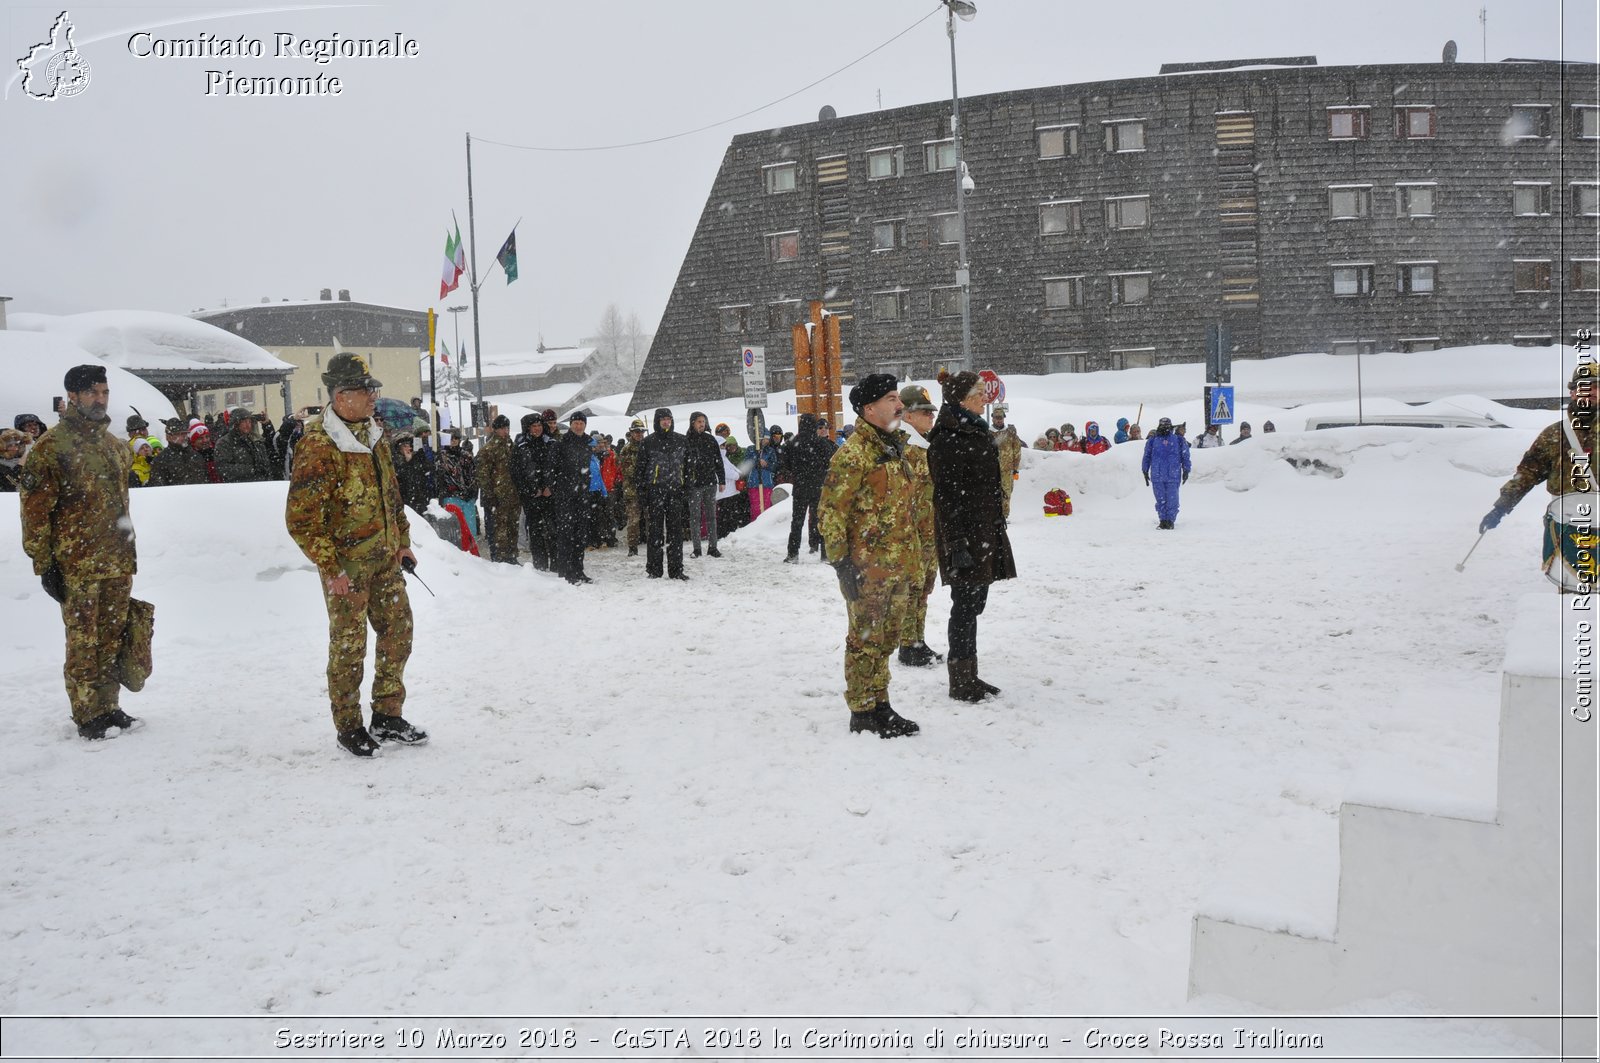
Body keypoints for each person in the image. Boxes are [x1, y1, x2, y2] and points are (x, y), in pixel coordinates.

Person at [285, 353, 426, 758]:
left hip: (384, 561)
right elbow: (302, 520)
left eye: (372, 389)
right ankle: (348, 725)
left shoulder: (372, 434)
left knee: (399, 632)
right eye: (367, 390)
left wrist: (402, 539)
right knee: (349, 647)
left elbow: (391, 495)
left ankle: (387, 714)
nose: (372, 396)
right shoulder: (320, 444)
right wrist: (331, 568)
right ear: (342, 395)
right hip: (346, 568)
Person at [19, 364, 143, 740]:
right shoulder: (50, 448)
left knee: (112, 637)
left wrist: (128, 552)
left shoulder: (113, 447)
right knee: (83, 642)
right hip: (76, 565)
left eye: (104, 392)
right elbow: (35, 513)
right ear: (72, 397)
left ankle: (109, 705)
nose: (100, 399)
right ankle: (88, 713)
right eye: (92, 393)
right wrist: (45, 565)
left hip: (116, 560)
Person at [817, 373, 922, 738]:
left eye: (898, 397)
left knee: (887, 639)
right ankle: (861, 711)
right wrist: (842, 563)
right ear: (869, 408)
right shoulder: (854, 454)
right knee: (864, 640)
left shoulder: (893, 449)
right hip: (866, 569)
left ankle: (881, 703)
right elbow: (830, 513)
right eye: (892, 398)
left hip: (898, 565)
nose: (900, 405)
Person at [928, 368, 1017, 703]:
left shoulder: (974, 430)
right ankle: (961, 680)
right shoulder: (948, 438)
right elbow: (946, 496)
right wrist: (955, 543)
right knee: (964, 606)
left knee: (975, 603)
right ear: (962, 400)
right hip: (964, 536)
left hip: (983, 529)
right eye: (979, 394)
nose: (985, 398)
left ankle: (970, 674)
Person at [1480, 363, 1597, 554]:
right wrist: (1501, 507)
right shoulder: (1555, 434)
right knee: (1571, 579)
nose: (1591, 392)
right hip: (1567, 524)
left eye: (1597, 387)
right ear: (1573, 393)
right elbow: (1527, 473)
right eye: (1584, 387)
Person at [895, 384, 944, 668]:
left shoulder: (924, 445)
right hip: (912, 533)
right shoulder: (907, 449)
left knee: (923, 588)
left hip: (928, 532)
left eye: (930, 412)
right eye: (925, 412)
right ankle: (908, 644)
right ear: (909, 416)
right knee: (911, 589)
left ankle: (918, 640)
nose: (930, 417)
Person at [636, 407, 690, 580]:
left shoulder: (681, 440)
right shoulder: (648, 442)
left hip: (675, 492)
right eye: (663, 419)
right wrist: (642, 493)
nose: (666, 422)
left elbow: (688, 467)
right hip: (655, 492)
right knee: (655, 533)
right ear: (657, 422)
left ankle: (676, 570)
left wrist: (686, 488)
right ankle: (654, 570)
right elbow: (640, 470)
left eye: (668, 419)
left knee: (676, 533)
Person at [781, 412, 834, 562]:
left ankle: (793, 554)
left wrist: (798, 472)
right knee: (821, 521)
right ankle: (825, 554)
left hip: (800, 487)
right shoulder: (821, 442)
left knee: (797, 522)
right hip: (818, 487)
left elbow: (786, 464)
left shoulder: (792, 443)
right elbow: (828, 463)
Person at [550, 409, 595, 583]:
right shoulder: (560, 443)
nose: (578, 426)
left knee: (580, 535)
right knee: (566, 535)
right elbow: (551, 469)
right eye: (575, 423)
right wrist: (559, 489)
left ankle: (578, 569)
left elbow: (588, 470)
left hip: (582, 495)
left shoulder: (587, 443)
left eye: (581, 423)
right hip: (565, 496)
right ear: (570, 425)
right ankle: (566, 571)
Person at [512, 413, 556, 571]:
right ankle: (540, 564)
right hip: (531, 496)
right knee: (535, 531)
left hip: (549, 494)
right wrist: (531, 490)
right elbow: (516, 473)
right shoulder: (520, 446)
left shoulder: (551, 443)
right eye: (534, 426)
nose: (537, 429)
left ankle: (556, 564)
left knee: (553, 529)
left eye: (539, 426)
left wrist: (550, 487)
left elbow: (556, 469)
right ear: (527, 428)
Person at [475, 415, 520, 564]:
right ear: (495, 429)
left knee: (512, 527)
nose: (505, 431)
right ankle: (500, 559)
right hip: (497, 497)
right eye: (502, 428)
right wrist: (489, 495)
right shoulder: (489, 449)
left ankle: (512, 556)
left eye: (507, 428)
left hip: (512, 495)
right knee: (499, 530)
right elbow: (482, 475)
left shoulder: (510, 446)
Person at [684, 411, 725, 558]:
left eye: (703, 421)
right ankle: (696, 549)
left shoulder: (710, 439)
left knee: (711, 516)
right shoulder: (686, 440)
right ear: (693, 423)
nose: (702, 424)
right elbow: (683, 464)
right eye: (699, 421)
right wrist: (685, 482)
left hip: (710, 482)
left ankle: (713, 547)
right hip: (694, 485)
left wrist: (722, 480)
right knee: (695, 517)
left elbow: (718, 461)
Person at [1141, 416, 1192, 529]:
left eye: (1167, 425)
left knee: (1172, 499)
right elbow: (1147, 456)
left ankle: (1170, 520)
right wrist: (1144, 470)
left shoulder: (1178, 440)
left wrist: (1186, 469)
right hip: (1157, 475)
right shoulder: (1153, 440)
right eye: (1162, 425)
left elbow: (1185, 456)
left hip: (1172, 475)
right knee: (1160, 499)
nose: (1164, 427)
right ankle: (1163, 520)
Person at [215, 407, 276, 482]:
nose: (248, 425)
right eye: (244, 422)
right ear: (235, 424)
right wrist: (252, 469)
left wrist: (267, 425)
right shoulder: (224, 443)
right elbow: (223, 468)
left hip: (261, 485)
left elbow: (270, 446)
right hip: (240, 487)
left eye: (249, 422)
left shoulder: (253, 440)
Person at [616, 419, 647, 556]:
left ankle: (653, 544)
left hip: (647, 489)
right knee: (633, 521)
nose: (639, 434)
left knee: (651, 519)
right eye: (636, 431)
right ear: (631, 432)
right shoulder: (626, 450)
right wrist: (645, 473)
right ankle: (632, 548)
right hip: (632, 490)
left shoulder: (648, 446)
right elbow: (628, 471)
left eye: (641, 431)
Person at [148, 418, 205, 487]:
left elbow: (204, 481)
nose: (184, 437)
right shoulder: (160, 461)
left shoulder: (196, 456)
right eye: (179, 434)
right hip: (174, 496)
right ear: (168, 437)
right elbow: (158, 488)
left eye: (185, 433)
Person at [991, 407, 1024, 518]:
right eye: (996, 418)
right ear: (992, 418)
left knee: (1006, 492)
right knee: (992, 492)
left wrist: (1015, 468)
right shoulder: (988, 433)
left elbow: (1017, 451)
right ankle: (994, 514)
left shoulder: (1010, 433)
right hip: (992, 469)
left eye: (1001, 418)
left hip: (1007, 470)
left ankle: (1004, 515)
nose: (999, 420)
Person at [748, 425, 781, 518]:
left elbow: (774, 466)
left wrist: (766, 464)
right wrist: (756, 461)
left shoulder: (770, 451)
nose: (766, 440)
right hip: (753, 483)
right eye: (764, 438)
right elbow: (747, 463)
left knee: (766, 508)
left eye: (768, 438)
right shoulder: (751, 449)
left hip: (767, 483)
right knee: (755, 508)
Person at [393, 437, 432, 516]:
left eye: (409, 445)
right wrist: (407, 462)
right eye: (405, 446)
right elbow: (402, 477)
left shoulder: (416, 459)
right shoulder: (395, 461)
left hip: (419, 498)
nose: (408, 448)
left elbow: (425, 470)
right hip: (404, 499)